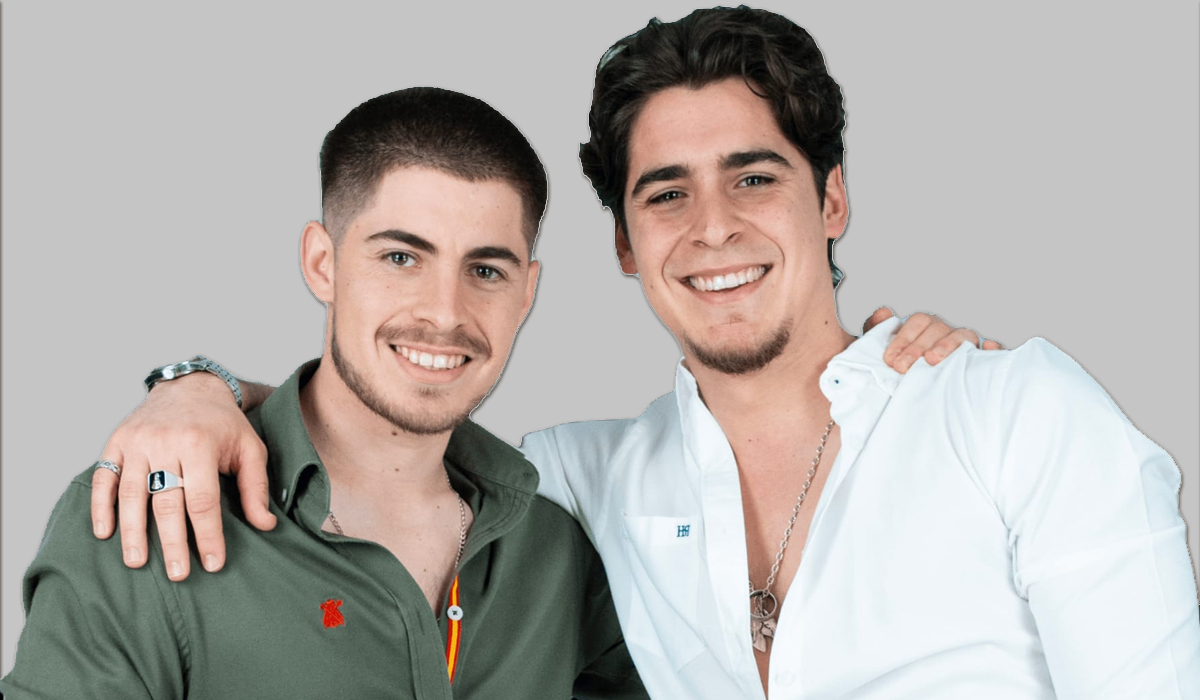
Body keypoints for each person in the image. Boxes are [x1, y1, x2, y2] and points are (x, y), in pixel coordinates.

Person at [72, 6, 1200, 700]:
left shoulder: (1016, 415)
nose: (713, 229)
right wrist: (196, 388)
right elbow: (390, 408)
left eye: (754, 177)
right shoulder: (579, 482)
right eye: (666, 193)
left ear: (833, 199)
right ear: (623, 244)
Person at [0, 87, 648, 699]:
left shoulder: (556, 551)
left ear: (526, 292)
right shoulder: (147, 510)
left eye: (484, 270)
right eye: (401, 258)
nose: (444, 312)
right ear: (322, 263)